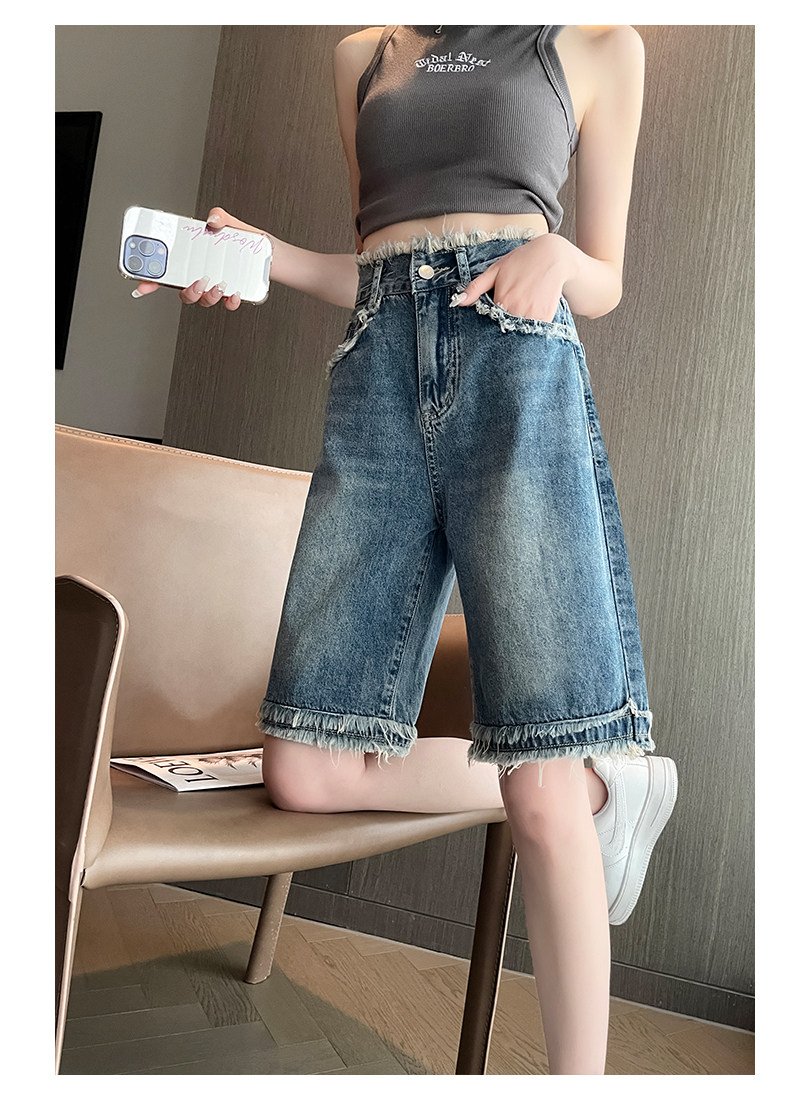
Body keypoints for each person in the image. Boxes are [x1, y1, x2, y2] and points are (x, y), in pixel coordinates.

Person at [134, 25, 678, 1076]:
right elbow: (377, 263)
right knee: (305, 769)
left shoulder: (595, 43)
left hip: (516, 372)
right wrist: (260, 256)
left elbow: (603, 278)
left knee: (537, 786)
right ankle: (602, 787)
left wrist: (562, 257)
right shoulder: (363, 55)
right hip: (376, 384)